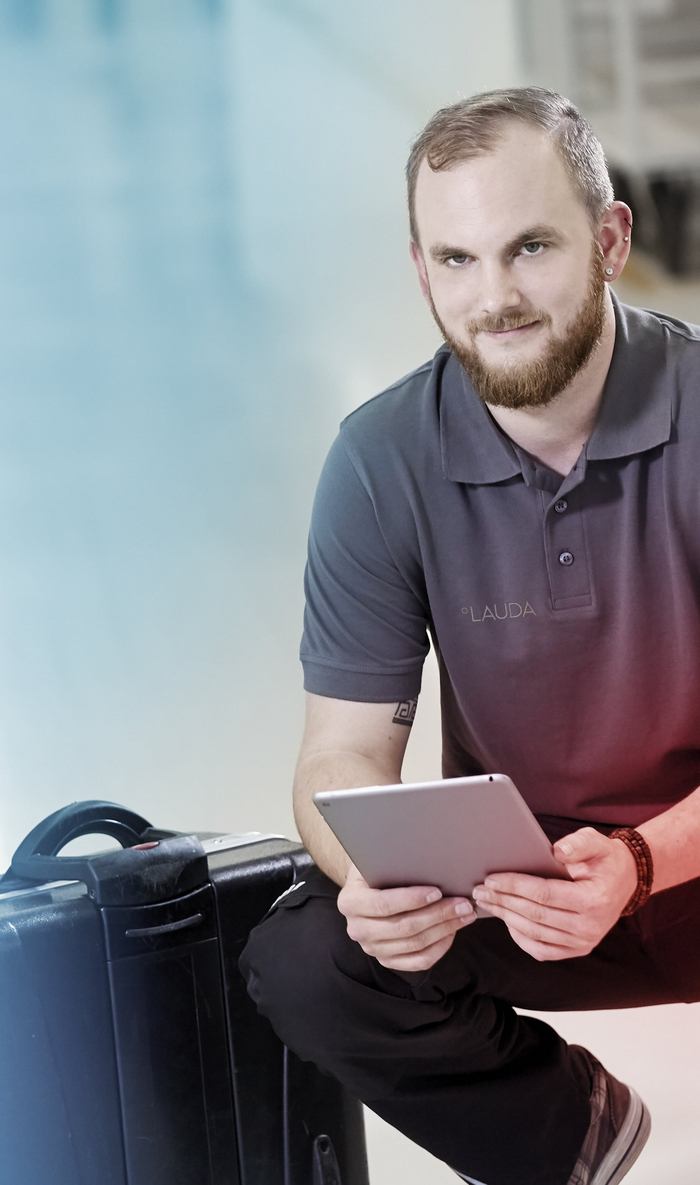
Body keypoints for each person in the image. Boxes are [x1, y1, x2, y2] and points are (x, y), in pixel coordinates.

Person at [239, 87, 700, 1185]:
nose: (492, 297)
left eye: (528, 247)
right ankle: (571, 1130)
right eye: (455, 260)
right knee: (303, 957)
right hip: (508, 900)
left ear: (608, 240)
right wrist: (373, 885)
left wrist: (640, 861)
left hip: (688, 869)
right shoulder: (378, 459)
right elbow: (337, 756)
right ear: (420, 270)